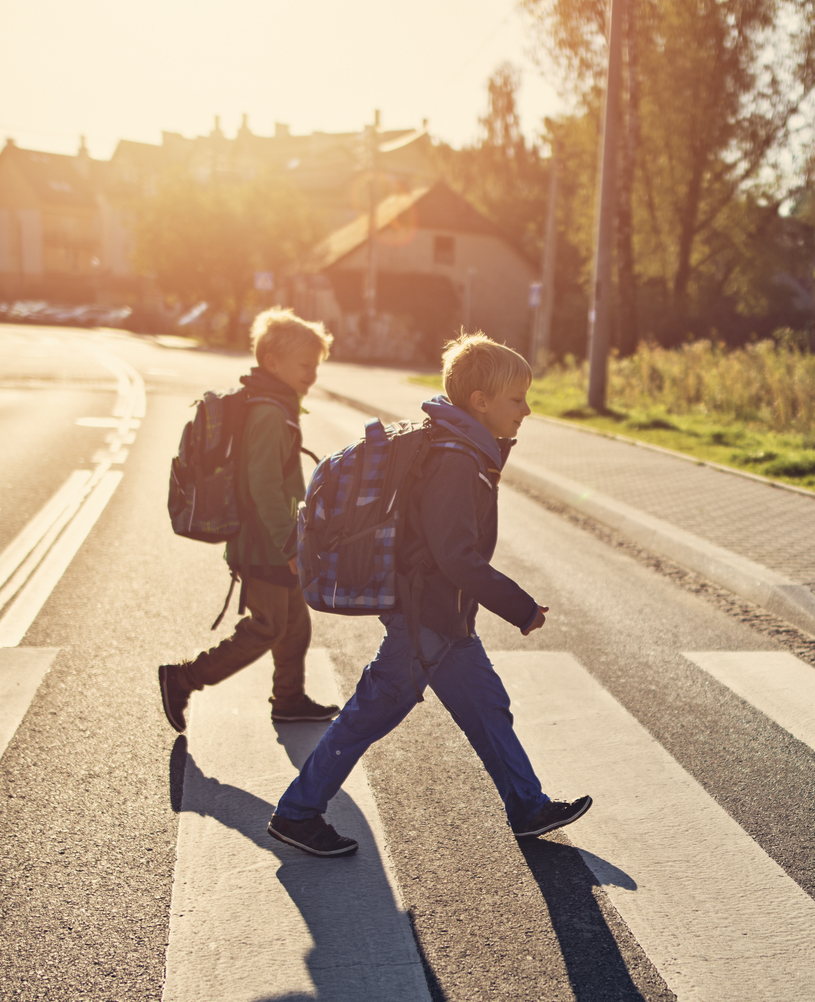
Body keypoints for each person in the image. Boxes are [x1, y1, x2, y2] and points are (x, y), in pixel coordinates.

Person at [264, 332, 591, 858]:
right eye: (517, 399)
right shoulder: (456, 460)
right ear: (479, 402)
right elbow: (455, 555)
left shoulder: (464, 448)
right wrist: (521, 608)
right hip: (426, 618)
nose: (527, 410)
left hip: (445, 619)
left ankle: (528, 806)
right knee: (368, 716)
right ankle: (298, 813)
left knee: (488, 709)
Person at [158, 308, 341, 733]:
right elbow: (262, 487)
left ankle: (290, 699)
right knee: (267, 626)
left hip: (273, 537)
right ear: (272, 363)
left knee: (295, 625)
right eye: (304, 366)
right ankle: (184, 678)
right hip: (265, 542)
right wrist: (287, 544)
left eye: (316, 366)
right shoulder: (271, 415)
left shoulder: (273, 406)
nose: (312, 375)